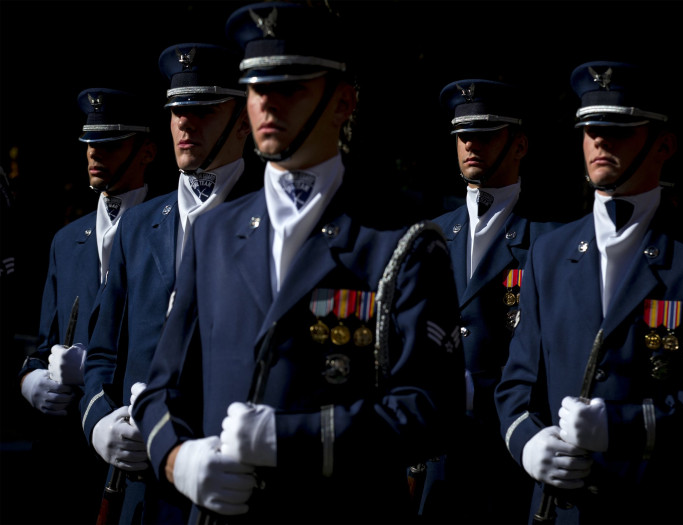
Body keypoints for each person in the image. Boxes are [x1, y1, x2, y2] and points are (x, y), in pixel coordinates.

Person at [132, 3, 466, 523]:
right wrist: (177, 459)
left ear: (343, 101)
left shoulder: (404, 240)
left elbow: (431, 411)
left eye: (290, 87)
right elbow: (162, 386)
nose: (267, 103)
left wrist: (288, 439)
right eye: (256, 87)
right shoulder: (214, 232)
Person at [495, 60, 683, 524]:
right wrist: (528, 443)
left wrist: (622, 428)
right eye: (590, 129)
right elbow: (517, 383)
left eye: (619, 128)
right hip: (562, 509)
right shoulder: (547, 253)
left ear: (664, 144)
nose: (600, 140)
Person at [81, 43, 255, 524]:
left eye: (202, 108)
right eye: (178, 109)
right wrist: (98, 423)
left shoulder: (273, 223)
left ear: (244, 121)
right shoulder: (137, 227)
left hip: (230, 488)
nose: (185, 122)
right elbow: (102, 355)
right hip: (141, 490)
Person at [416, 79, 561, 523]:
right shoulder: (430, 234)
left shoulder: (550, 240)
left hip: (511, 455)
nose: (470, 145)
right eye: (462, 135)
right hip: (439, 455)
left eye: (485, 133)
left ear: (519, 145)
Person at [18, 88, 157, 524]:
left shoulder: (166, 228)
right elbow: (41, 345)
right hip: (65, 456)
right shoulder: (67, 240)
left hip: (132, 451)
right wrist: (32, 381)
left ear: (147, 151)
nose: (95, 153)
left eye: (111, 143)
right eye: (90, 144)